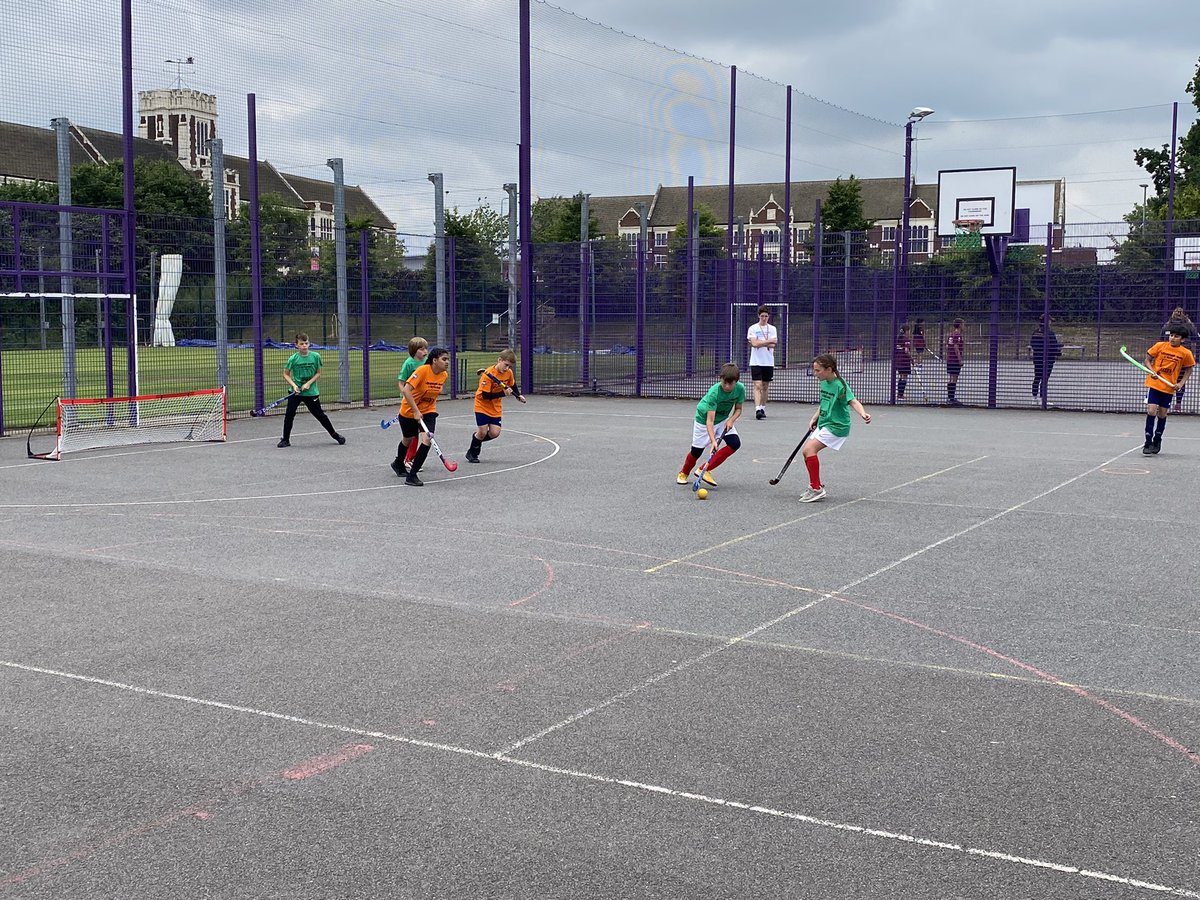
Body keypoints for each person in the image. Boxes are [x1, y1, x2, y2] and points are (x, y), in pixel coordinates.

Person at [798, 353, 871, 502]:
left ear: (829, 369)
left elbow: (853, 401)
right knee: (806, 453)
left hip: (837, 426)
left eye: (818, 370)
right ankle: (815, 485)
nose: (815, 373)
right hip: (824, 422)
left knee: (809, 450)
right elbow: (824, 402)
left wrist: (863, 413)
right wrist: (814, 418)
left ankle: (817, 489)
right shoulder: (824, 382)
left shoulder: (840, 385)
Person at [676, 362, 745, 487]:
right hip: (704, 419)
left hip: (723, 418)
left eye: (731, 383)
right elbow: (710, 421)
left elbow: (739, 409)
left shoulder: (740, 388)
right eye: (725, 382)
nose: (727, 386)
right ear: (720, 379)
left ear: (736, 381)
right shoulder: (714, 392)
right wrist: (713, 441)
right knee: (696, 451)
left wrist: (731, 420)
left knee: (735, 443)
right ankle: (683, 473)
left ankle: (705, 469)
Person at [392, 346, 450, 486]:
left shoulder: (444, 375)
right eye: (444, 359)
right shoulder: (422, 371)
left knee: (427, 439)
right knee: (408, 439)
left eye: (448, 359)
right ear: (434, 360)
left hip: (429, 411)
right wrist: (416, 410)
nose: (447, 362)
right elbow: (406, 389)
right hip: (408, 411)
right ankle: (398, 463)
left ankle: (412, 475)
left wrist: (423, 408)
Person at [277, 333, 345, 448]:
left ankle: (335, 435)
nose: (304, 346)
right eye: (301, 344)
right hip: (296, 392)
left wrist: (308, 384)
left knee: (319, 415)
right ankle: (285, 439)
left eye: (306, 343)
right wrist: (294, 385)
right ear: (296, 345)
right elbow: (286, 374)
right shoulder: (293, 359)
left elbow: (318, 373)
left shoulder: (315, 356)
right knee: (289, 414)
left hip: (311, 392)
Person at [1141, 325, 1194, 455]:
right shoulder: (1160, 346)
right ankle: (1148, 442)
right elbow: (1147, 360)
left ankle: (1157, 440)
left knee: (1162, 414)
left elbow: (1189, 369)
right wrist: (1151, 370)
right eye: (1171, 335)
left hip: (1169, 387)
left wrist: (1180, 383)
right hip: (1154, 383)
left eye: (1176, 336)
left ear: (1182, 339)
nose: (1172, 338)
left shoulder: (1185, 353)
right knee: (1151, 410)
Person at [466, 348, 526, 463]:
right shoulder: (488, 375)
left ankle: (476, 439)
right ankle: (473, 453)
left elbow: (512, 385)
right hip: (482, 405)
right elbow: (485, 395)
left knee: (495, 433)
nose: (507, 368)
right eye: (506, 365)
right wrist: (503, 393)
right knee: (483, 431)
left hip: (495, 407)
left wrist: (518, 395)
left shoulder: (508, 373)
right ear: (499, 360)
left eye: (509, 366)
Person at [397, 337, 429, 467]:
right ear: (414, 351)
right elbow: (401, 382)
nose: (425, 351)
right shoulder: (409, 364)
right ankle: (408, 459)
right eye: (421, 349)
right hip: (410, 401)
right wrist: (406, 396)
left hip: (423, 402)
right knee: (412, 434)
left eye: (426, 348)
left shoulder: (427, 362)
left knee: (424, 432)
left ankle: (411, 458)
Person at [1161, 307, 1196, 412]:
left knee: (1166, 378)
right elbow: (1195, 336)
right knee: (1180, 381)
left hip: (1168, 356)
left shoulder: (1168, 325)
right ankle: (1178, 404)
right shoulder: (1188, 325)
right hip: (1183, 356)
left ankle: (1164, 403)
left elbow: (1161, 337)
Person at [746, 306, 777, 420]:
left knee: (765, 386)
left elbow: (773, 344)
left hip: (768, 361)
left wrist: (760, 342)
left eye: (766, 316)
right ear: (759, 316)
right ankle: (757, 409)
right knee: (757, 385)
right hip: (756, 361)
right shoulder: (753, 328)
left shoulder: (772, 329)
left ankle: (763, 407)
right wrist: (767, 342)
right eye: (762, 316)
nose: (764, 318)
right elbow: (754, 344)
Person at [1029, 314, 1062, 404]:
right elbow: (1053, 346)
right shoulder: (1049, 333)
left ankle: (1034, 398)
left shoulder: (1035, 332)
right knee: (1044, 379)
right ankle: (1042, 398)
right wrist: (1058, 352)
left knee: (1037, 377)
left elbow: (1032, 344)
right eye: (1050, 321)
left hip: (1037, 358)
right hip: (1048, 359)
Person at [945, 317, 965, 405]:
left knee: (951, 378)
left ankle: (950, 397)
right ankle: (951, 398)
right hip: (954, 360)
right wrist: (959, 359)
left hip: (950, 359)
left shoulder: (951, 335)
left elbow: (947, 346)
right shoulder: (957, 335)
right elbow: (956, 347)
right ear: (960, 325)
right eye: (963, 324)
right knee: (954, 379)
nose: (964, 326)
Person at [893, 324, 913, 401]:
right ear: (907, 331)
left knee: (901, 376)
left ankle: (899, 394)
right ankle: (900, 395)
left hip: (898, 360)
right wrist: (911, 358)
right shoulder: (906, 339)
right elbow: (906, 350)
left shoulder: (899, 339)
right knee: (904, 377)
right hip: (904, 360)